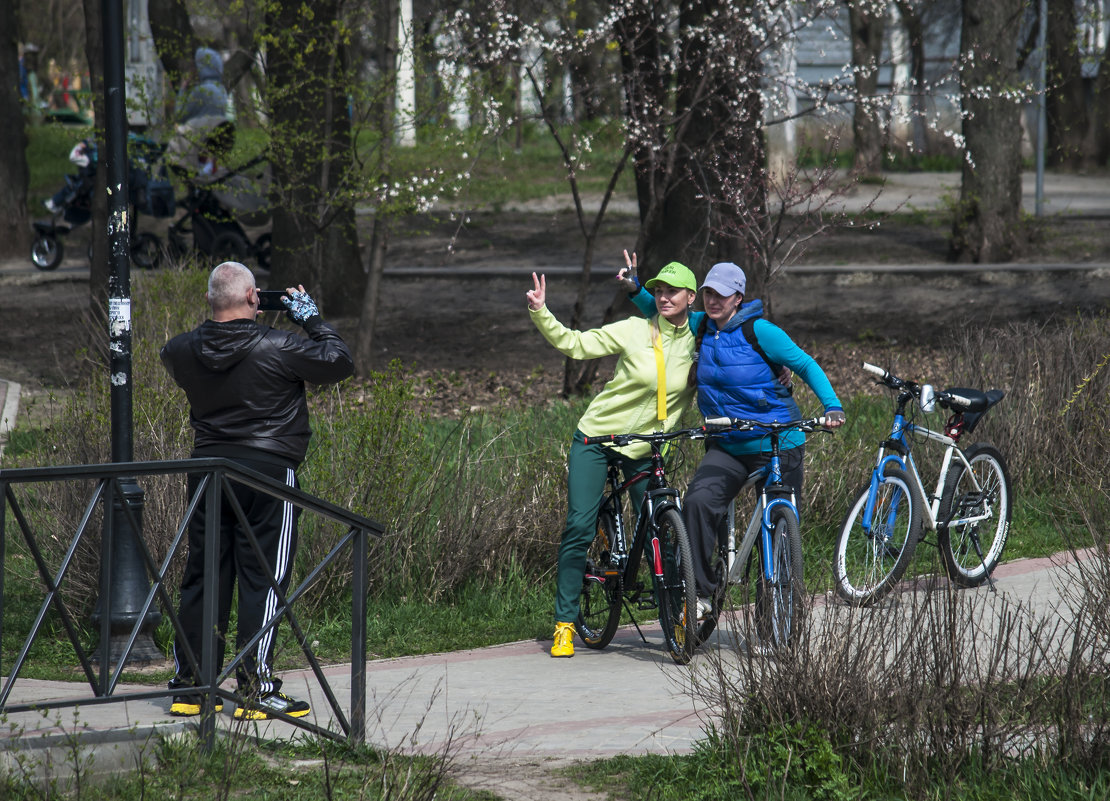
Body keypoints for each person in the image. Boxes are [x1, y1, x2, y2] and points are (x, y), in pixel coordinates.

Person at [161, 261, 353, 719]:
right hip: (268, 470)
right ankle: (256, 688)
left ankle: (191, 685)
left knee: (204, 573)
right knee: (263, 578)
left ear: (210, 300)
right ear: (253, 298)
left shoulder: (181, 350)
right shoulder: (279, 345)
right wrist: (309, 317)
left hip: (208, 468)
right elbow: (338, 362)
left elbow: (177, 357)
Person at [623, 260, 844, 619]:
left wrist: (831, 406)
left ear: (738, 297)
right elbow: (665, 310)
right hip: (727, 445)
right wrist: (636, 290)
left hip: (777, 444)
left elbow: (804, 364)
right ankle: (702, 594)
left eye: (722, 295)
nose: (713, 301)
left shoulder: (761, 331)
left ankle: (775, 618)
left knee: (776, 534)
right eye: (708, 293)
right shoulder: (701, 327)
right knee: (696, 503)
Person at [527, 259, 699, 658]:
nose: (664, 297)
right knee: (580, 526)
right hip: (597, 437)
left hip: (646, 447)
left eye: (673, 291)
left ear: (692, 297)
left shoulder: (700, 339)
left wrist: (777, 373)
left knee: (662, 528)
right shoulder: (635, 329)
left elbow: (739, 349)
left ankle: (675, 612)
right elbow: (576, 344)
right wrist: (541, 311)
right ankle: (565, 624)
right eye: (658, 290)